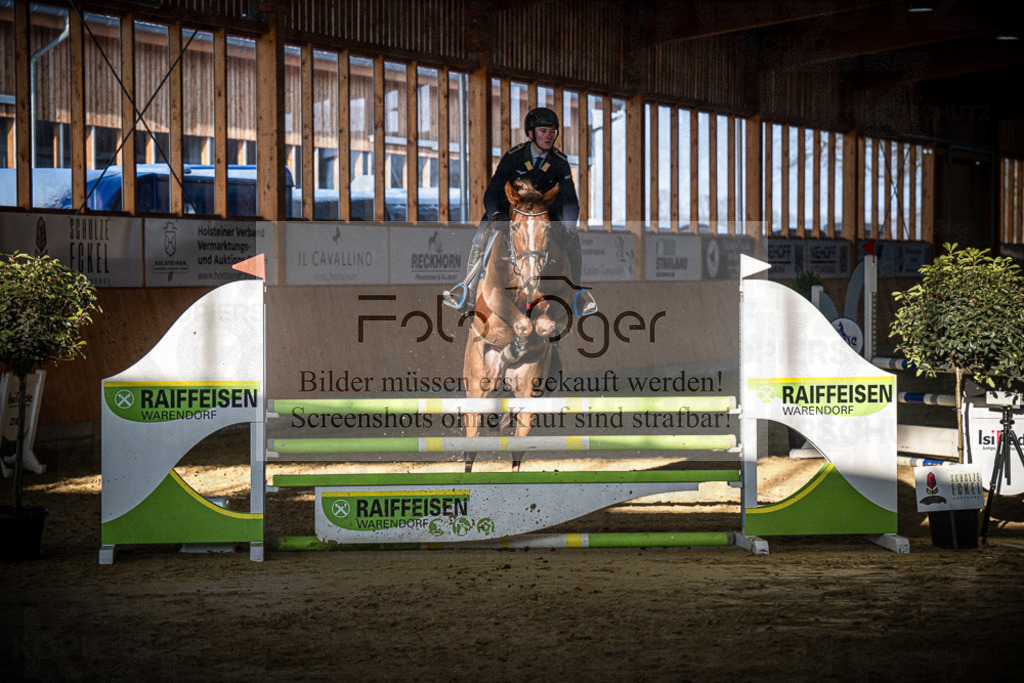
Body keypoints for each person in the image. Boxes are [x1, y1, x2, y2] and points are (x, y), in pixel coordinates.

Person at [443, 106, 597, 316]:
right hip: (510, 213)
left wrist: (568, 226)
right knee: (481, 236)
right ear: (531, 133)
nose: (549, 136)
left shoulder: (559, 162)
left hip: (546, 216)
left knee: (573, 239)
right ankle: (466, 291)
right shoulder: (514, 156)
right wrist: (495, 215)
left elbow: (570, 199)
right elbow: (492, 191)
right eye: (543, 131)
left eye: (552, 131)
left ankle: (578, 296)